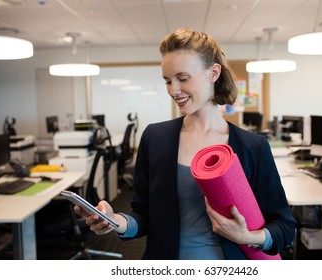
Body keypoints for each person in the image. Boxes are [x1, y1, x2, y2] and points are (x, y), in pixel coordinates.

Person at [74, 27, 296, 260]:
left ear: (213, 73)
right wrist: (116, 221)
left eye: (182, 78)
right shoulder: (155, 138)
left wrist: (249, 237)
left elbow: (284, 227)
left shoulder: (253, 147)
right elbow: (143, 215)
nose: (173, 90)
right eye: (167, 81)